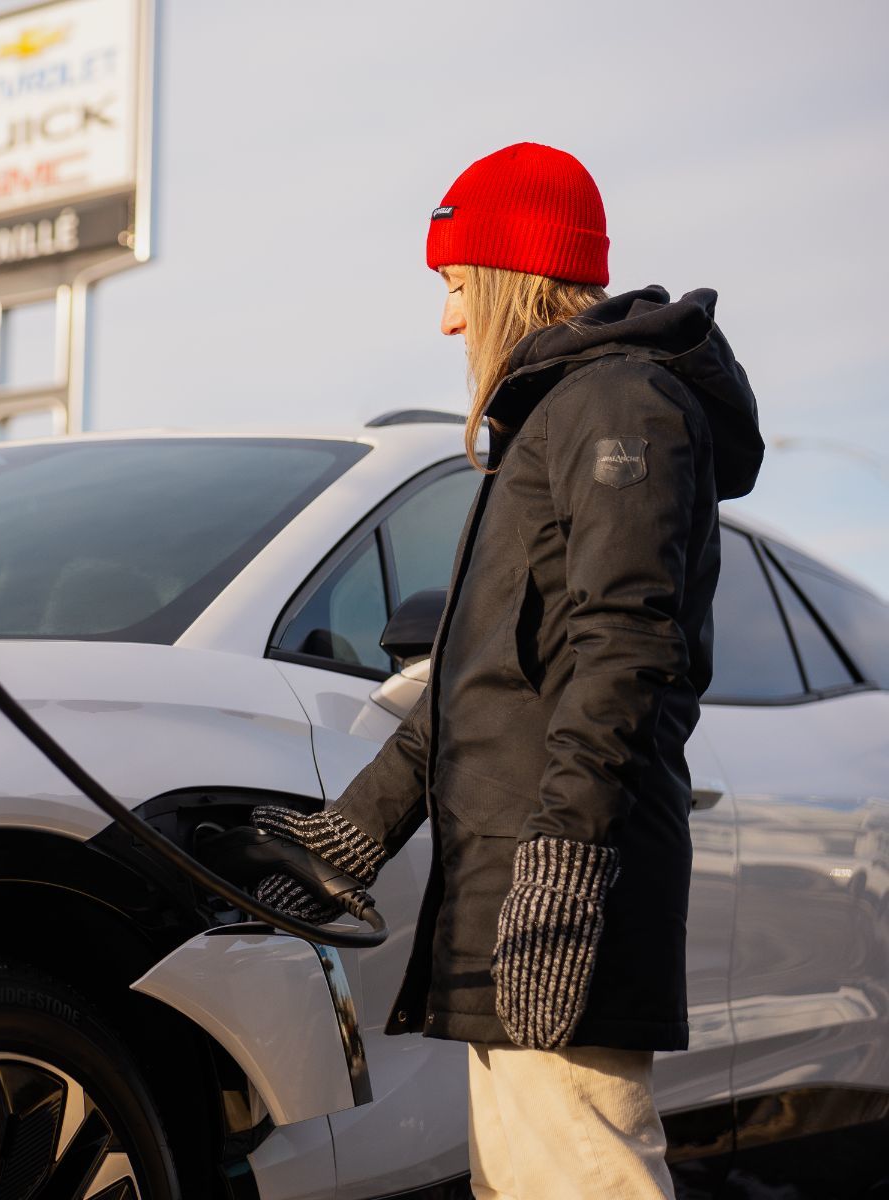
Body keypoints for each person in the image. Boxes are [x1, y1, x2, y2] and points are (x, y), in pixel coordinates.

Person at [246, 142, 765, 1198]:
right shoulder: (557, 416)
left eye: (453, 286)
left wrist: (566, 869)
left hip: (560, 880)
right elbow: (479, 676)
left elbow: (626, 652)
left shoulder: (622, 407)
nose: (447, 321)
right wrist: (356, 830)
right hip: (515, 880)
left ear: (512, 274)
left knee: (580, 1178)